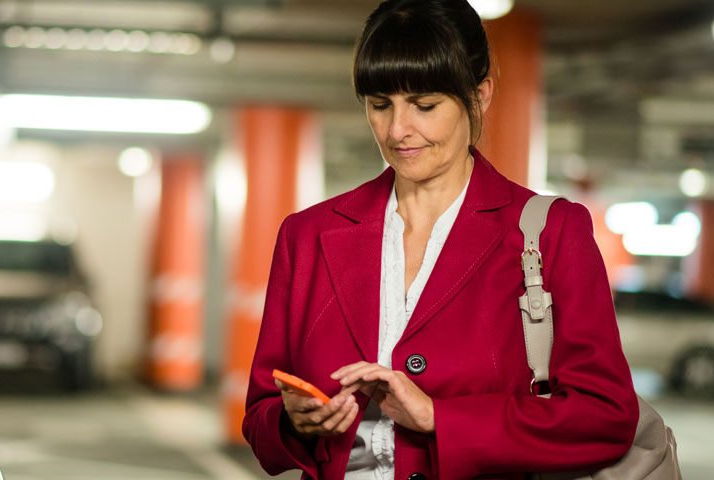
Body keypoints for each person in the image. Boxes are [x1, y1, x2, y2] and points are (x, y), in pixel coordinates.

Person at [241, 1, 639, 479]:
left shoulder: (551, 233)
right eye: (380, 105)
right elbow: (261, 421)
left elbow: (606, 417)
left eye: (424, 105)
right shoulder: (307, 236)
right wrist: (294, 421)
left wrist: (440, 418)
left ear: (481, 94)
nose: (397, 130)